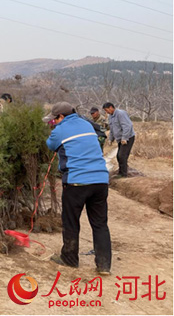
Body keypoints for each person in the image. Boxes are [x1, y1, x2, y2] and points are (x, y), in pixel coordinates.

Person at [44, 102, 111, 276]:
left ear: (61, 117)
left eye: (54, 119)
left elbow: (50, 145)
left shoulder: (59, 130)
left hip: (77, 182)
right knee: (100, 224)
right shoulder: (87, 124)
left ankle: (70, 259)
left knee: (71, 221)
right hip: (101, 180)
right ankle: (104, 265)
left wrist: (54, 130)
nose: (53, 122)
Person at [102, 102, 136, 178]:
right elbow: (112, 129)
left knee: (122, 156)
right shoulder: (110, 117)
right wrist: (111, 139)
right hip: (120, 139)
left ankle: (124, 174)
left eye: (107, 110)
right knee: (118, 156)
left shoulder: (120, 114)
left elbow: (127, 126)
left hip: (128, 138)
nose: (106, 112)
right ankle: (121, 172)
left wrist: (124, 138)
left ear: (111, 107)